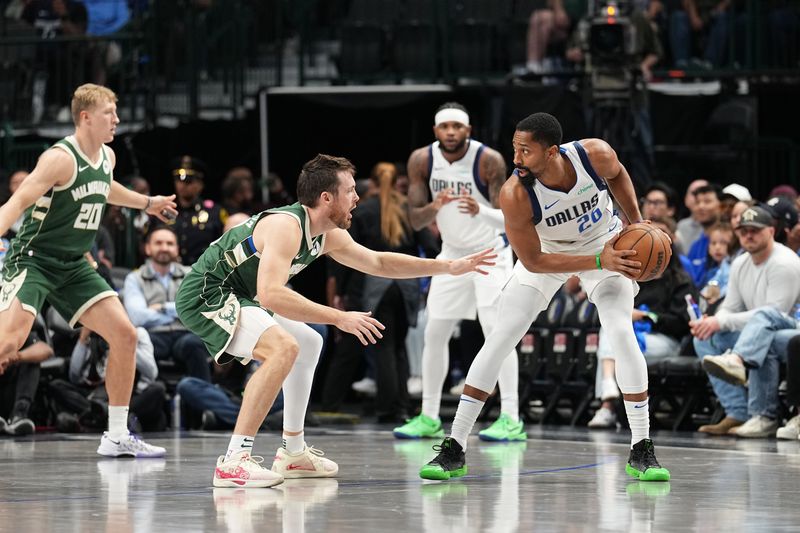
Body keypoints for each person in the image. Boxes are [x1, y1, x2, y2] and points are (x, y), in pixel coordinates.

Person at [174, 153, 496, 488]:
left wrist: (447, 266)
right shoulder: (286, 226)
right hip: (208, 294)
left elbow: (378, 263)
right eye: (351, 190)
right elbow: (270, 294)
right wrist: (339, 317)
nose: (357, 197)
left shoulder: (326, 233)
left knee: (310, 341)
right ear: (327, 197)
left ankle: (293, 453)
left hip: (242, 295)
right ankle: (234, 461)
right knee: (283, 347)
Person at [421, 112, 671, 482]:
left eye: (525, 151)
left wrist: (635, 222)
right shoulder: (515, 193)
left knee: (619, 331)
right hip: (552, 256)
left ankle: (642, 447)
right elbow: (534, 260)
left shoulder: (595, 155)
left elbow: (618, 175)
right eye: (514, 150)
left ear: (552, 151)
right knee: (501, 337)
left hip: (606, 245)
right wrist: (599, 259)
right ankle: (455, 446)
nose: (517, 159)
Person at [0, 83, 176, 457]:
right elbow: (16, 204)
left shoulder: (107, 157)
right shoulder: (59, 158)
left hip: (74, 264)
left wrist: (148, 203)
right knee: (8, 344)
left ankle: (116, 436)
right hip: (33, 258)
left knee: (126, 336)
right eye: (109, 113)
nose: (116, 119)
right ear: (85, 117)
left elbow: (106, 188)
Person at [396, 102, 524, 442]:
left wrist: (479, 210)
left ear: (468, 130)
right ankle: (428, 415)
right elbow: (415, 220)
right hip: (451, 255)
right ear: (436, 131)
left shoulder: (489, 160)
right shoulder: (422, 161)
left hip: (489, 254)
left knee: (498, 334)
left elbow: (511, 219)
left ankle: (511, 416)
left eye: (457, 126)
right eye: (445, 127)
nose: (451, 132)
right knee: (434, 332)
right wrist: (434, 206)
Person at [692, 205, 800, 436]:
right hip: (756, 333)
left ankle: (764, 416)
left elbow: (777, 313)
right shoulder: (740, 263)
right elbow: (730, 307)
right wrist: (711, 322)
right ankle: (737, 413)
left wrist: (721, 322)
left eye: (755, 230)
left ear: (771, 231)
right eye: (744, 231)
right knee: (704, 338)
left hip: (791, 331)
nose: (748, 235)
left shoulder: (785, 262)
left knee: (765, 322)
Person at [123, 226, 212, 382]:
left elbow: (201, 310)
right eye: (158, 243)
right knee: (137, 346)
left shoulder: (192, 274)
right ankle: (149, 396)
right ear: (148, 248)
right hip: (154, 334)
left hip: (186, 334)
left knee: (194, 344)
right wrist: (180, 312)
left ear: (177, 249)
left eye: (170, 244)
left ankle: (203, 398)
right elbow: (137, 317)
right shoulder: (134, 278)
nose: (164, 248)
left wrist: (163, 308)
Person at [166, 155, 227, 265]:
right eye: (178, 179)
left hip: (204, 272)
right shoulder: (166, 210)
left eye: (188, 181)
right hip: (169, 271)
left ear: (200, 184)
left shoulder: (215, 212)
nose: (182, 184)